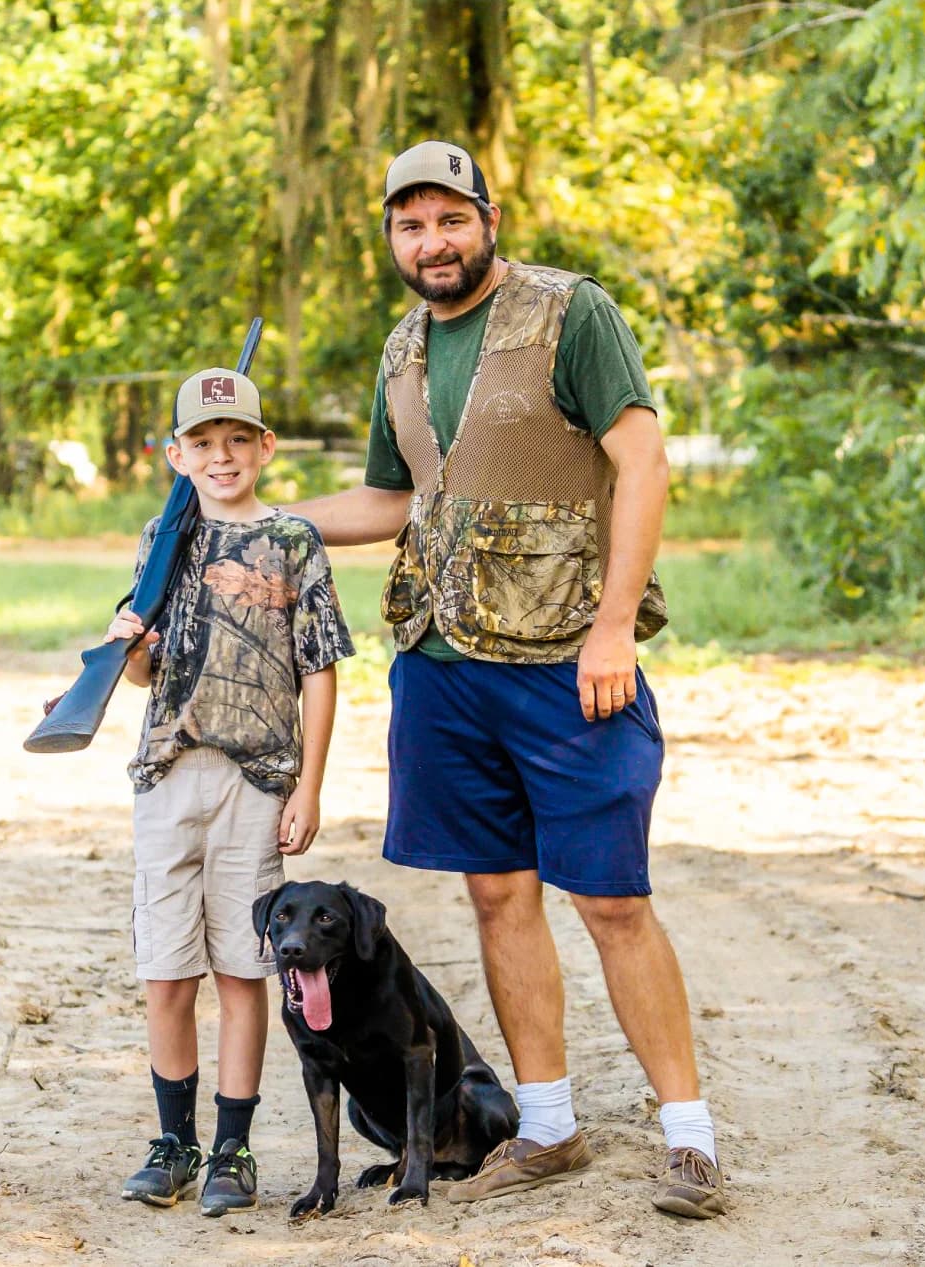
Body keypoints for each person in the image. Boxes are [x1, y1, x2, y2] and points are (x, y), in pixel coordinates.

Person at [292, 140, 724, 1219]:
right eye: (410, 224)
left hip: (567, 663)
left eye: (450, 218)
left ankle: (690, 1140)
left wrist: (614, 626)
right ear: (391, 238)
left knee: (612, 900)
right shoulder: (401, 346)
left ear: (487, 218)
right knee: (495, 894)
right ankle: (547, 1125)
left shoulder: (570, 313)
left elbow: (641, 458)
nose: (432, 241)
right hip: (441, 666)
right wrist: (264, 520)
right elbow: (394, 499)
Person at [110, 366, 354, 1217]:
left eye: (238, 439)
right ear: (176, 454)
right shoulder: (162, 536)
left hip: (257, 782)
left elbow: (319, 670)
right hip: (168, 777)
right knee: (166, 972)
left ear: (265, 447)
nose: (222, 456)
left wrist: (309, 786)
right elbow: (142, 672)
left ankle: (231, 1149)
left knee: (244, 971)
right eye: (203, 442)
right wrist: (127, 645)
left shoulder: (293, 541)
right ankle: (173, 1143)